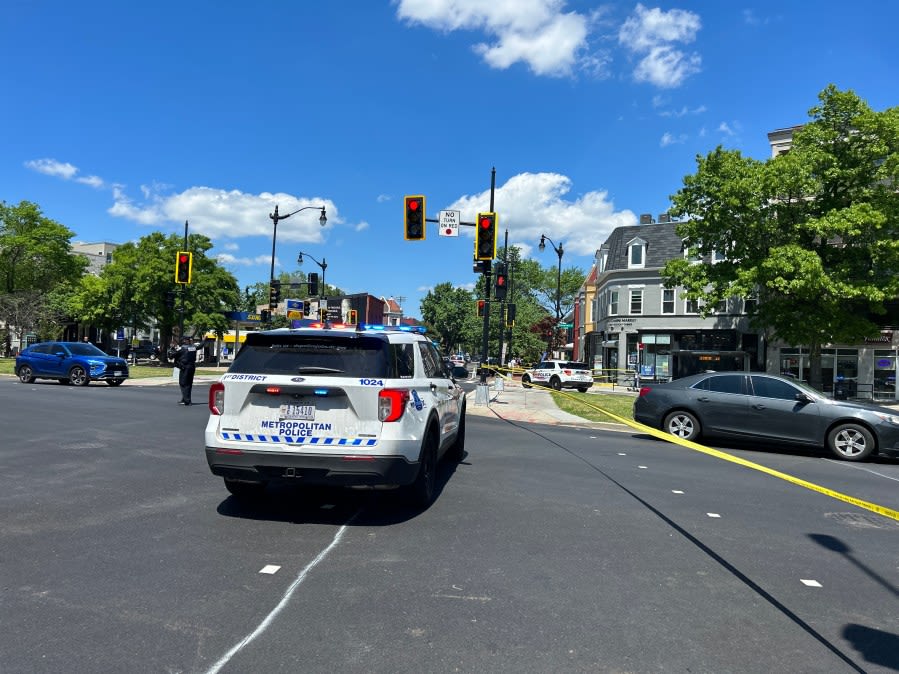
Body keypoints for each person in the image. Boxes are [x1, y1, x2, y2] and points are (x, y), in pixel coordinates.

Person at [173, 337, 198, 405]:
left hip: (185, 367)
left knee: (183, 383)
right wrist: (204, 340)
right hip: (192, 367)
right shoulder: (193, 348)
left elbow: (173, 355)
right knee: (189, 384)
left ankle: (187, 400)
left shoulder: (183, 348)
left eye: (184, 340)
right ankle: (184, 399)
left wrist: (173, 348)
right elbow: (200, 346)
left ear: (185, 341)